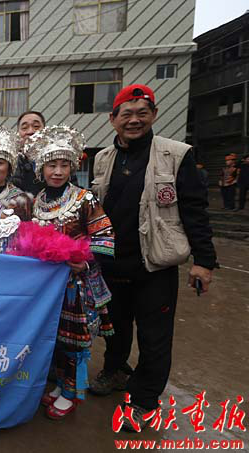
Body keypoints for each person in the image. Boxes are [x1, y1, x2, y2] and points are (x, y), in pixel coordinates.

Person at [90, 84, 216, 430]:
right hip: (112, 263)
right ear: (113, 119)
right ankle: (115, 370)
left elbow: (195, 210)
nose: (134, 120)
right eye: (126, 114)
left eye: (142, 113)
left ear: (154, 115)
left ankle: (143, 401)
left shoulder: (176, 155)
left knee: (154, 337)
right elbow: (95, 209)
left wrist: (204, 261)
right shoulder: (103, 158)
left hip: (155, 264)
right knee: (113, 328)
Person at [26, 125, 115, 419]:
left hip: (75, 283)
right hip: (46, 284)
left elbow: (105, 237)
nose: (57, 171)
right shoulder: (38, 201)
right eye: (51, 165)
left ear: (73, 167)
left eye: (64, 165)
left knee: (73, 339)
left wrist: (85, 263)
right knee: (53, 336)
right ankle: (61, 385)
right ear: (41, 168)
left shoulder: (84, 199)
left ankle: (71, 392)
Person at [11, 111, 46, 195]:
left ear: (45, 131)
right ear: (18, 134)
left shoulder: (58, 158)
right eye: (24, 127)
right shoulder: (10, 163)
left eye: (36, 126)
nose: (30, 131)